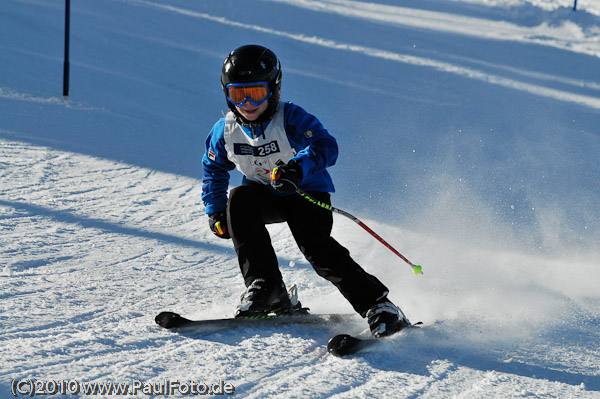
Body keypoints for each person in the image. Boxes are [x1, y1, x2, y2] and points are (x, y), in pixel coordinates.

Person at [201, 44, 410, 337]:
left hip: (304, 194)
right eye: (238, 94)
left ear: (273, 89)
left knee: (318, 251)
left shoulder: (290, 117)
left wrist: (297, 169)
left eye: (257, 93)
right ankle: (266, 287)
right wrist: (214, 210)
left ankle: (379, 305)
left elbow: (326, 145)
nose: (247, 103)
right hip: (264, 196)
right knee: (239, 200)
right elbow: (213, 169)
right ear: (227, 94)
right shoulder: (224, 131)